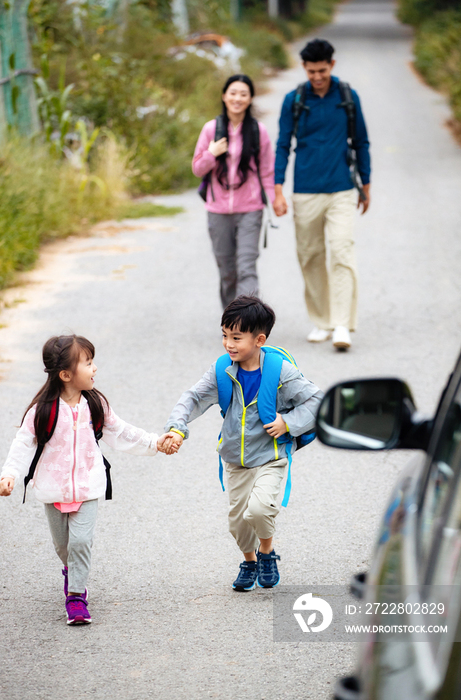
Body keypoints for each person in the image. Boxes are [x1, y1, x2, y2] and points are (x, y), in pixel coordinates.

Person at [0, 334, 178, 625]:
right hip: (53, 487)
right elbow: (23, 443)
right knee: (64, 547)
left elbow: (121, 432)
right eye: (89, 363)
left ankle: (76, 597)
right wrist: (9, 474)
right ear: (66, 374)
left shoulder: (95, 405)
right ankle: (73, 570)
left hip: (88, 485)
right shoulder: (43, 410)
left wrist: (155, 442)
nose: (95, 369)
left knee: (80, 542)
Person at [161, 296, 323, 591]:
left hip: (271, 456)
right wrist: (176, 428)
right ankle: (249, 561)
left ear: (259, 339)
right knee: (237, 523)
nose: (228, 344)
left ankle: (266, 553)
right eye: (225, 335)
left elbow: (318, 400)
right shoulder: (222, 369)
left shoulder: (280, 371)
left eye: (236, 337)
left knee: (259, 510)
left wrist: (289, 422)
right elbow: (193, 397)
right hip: (235, 459)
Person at [273, 38, 371, 351]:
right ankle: (322, 320)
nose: (317, 76)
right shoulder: (295, 99)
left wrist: (365, 183)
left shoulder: (347, 96)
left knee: (342, 251)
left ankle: (342, 324)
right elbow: (282, 145)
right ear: (304, 68)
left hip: (342, 188)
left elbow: (361, 142)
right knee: (311, 255)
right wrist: (278, 188)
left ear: (332, 65)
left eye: (323, 70)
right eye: (312, 70)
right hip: (305, 190)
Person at [192, 74, 275, 309]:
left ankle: (244, 322)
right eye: (233, 93)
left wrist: (275, 198)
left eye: (243, 94)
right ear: (224, 96)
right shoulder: (211, 129)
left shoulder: (259, 131)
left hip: (250, 209)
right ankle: (231, 318)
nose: (237, 98)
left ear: (250, 99)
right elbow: (198, 168)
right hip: (218, 210)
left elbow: (267, 170)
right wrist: (212, 153)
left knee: (247, 267)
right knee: (227, 270)